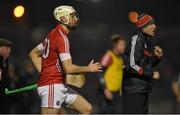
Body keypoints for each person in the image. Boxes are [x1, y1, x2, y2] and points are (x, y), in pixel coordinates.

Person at [28, 5, 102, 114]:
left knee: (87, 109)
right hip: (52, 87)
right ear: (63, 18)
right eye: (72, 16)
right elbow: (68, 68)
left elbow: (33, 54)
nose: (76, 19)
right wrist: (89, 68)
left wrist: (45, 73)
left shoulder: (52, 35)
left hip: (59, 85)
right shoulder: (61, 38)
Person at [122, 14, 163, 113]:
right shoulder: (137, 39)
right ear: (144, 28)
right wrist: (151, 74)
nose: (155, 26)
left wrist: (157, 58)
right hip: (133, 90)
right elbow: (131, 66)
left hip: (141, 88)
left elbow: (146, 66)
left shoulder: (146, 40)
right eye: (151, 24)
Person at [97, 34, 126, 113]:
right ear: (115, 45)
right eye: (122, 44)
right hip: (106, 92)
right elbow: (99, 72)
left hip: (116, 93)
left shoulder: (121, 58)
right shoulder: (109, 56)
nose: (124, 47)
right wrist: (105, 89)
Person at [0, 38, 13, 113]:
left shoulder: (5, 62)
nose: (9, 50)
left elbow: (6, 84)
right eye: (6, 48)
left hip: (5, 103)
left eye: (9, 48)